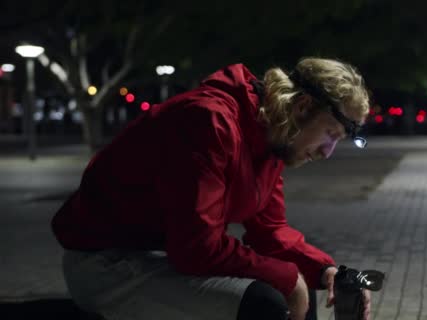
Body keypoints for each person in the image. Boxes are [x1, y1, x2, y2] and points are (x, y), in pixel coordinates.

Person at [51, 57, 372, 320]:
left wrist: (328, 270)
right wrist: (289, 278)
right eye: (330, 133)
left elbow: (270, 232)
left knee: (297, 287)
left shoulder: (273, 136)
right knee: (266, 304)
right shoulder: (209, 122)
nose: (327, 152)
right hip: (104, 263)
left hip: (160, 256)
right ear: (302, 107)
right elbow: (196, 248)